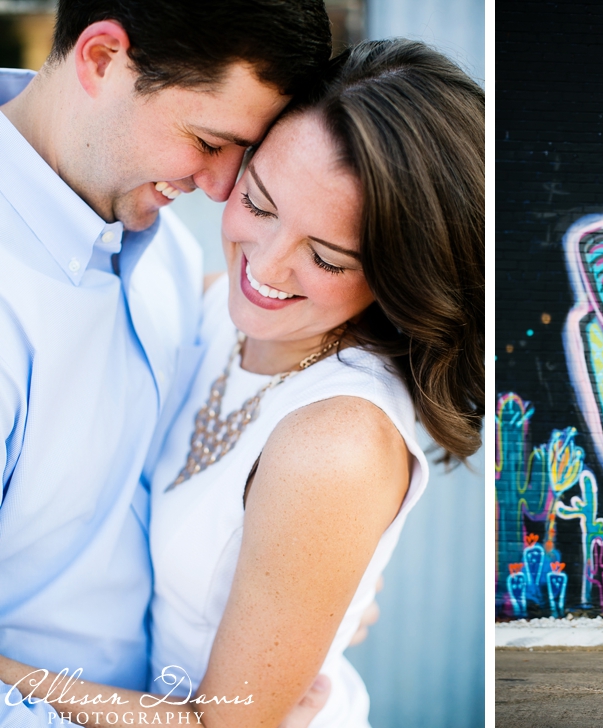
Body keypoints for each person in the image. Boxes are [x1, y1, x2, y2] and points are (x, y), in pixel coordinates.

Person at [0, 38, 485, 727]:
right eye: (259, 205)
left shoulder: (336, 443)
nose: (267, 267)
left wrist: (6, 675)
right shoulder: (209, 305)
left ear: (399, 275)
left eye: (326, 255)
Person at [0, 2, 343, 726]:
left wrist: (315, 594)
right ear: (100, 60)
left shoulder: (168, 252)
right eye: (207, 140)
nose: (220, 188)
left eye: (240, 153)